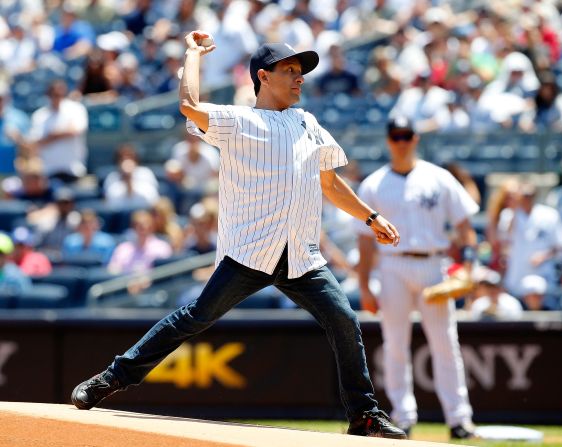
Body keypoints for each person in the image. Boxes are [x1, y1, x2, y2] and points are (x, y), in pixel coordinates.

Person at [71, 35, 406, 439]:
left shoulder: (308, 122)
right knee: (194, 318)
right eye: (290, 71)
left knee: (345, 320)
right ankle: (113, 377)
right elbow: (189, 106)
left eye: (301, 72)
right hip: (249, 254)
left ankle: (364, 415)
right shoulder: (238, 121)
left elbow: (330, 185)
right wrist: (193, 57)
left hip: (301, 255)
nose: (299, 79)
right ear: (263, 77)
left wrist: (370, 217)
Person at [356, 116, 478, 439]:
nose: (401, 142)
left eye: (406, 135)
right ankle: (402, 416)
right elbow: (364, 241)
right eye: (395, 136)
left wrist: (468, 266)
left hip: (431, 265)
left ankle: (459, 419)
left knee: (445, 343)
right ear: (387, 140)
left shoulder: (439, 178)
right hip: (392, 265)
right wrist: (365, 285)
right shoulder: (373, 184)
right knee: (395, 343)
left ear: (416, 138)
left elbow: (465, 227)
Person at [500, 182, 562, 298]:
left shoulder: (550, 215)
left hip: (543, 279)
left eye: (529, 195)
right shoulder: (508, 215)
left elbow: (561, 245)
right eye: (523, 195)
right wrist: (514, 210)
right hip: (516, 278)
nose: (526, 198)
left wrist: (544, 255)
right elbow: (504, 240)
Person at [29, 79, 89, 183]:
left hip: (73, 169)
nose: (57, 98)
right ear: (48, 95)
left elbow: (75, 130)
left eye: (60, 94)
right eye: (54, 94)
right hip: (48, 171)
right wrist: (62, 133)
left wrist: (52, 135)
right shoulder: (40, 115)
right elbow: (36, 142)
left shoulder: (76, 109)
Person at [107, 210, 172, 275]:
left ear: (152, 226)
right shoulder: (123, 248)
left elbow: (165, 272)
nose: (142, 228)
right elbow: (113, 271)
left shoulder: (162, 247)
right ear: (133, 227)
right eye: (138, 225)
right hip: (126, 283)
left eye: (145, 225)